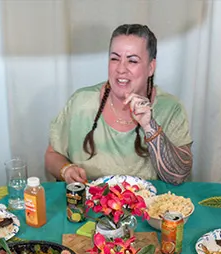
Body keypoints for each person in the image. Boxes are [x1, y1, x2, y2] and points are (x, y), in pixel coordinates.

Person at [45, 24, 192, 185]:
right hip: (89, 206)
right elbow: (52, 155)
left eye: (132, 61)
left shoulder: (170, 108)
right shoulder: (81, 102)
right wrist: (66, 169)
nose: (121, 69)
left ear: (150, 67)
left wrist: (149, 126)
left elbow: (178, 176)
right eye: (115, 58)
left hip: (149, 207)